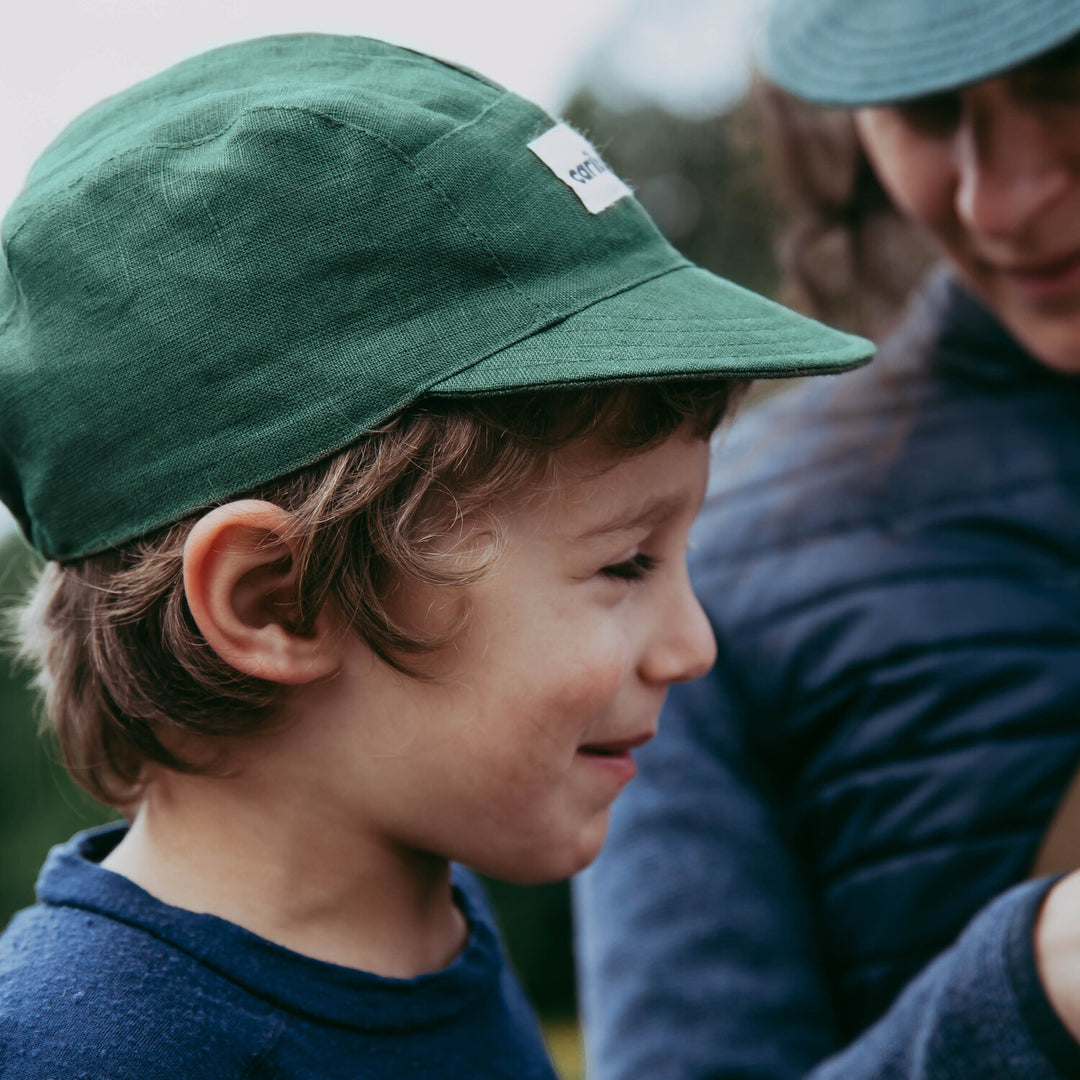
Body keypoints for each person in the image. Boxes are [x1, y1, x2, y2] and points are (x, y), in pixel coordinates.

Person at [0, 32, 869, 1080]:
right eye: (627, 563)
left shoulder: (433, 944)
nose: (694, 646)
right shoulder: (76, 1051)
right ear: (279, 601)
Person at [575, 2, 1080, 1078]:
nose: (1001, 199)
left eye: (1064, 79)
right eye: (928, 109)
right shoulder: (712, 562)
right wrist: (1035, 988)